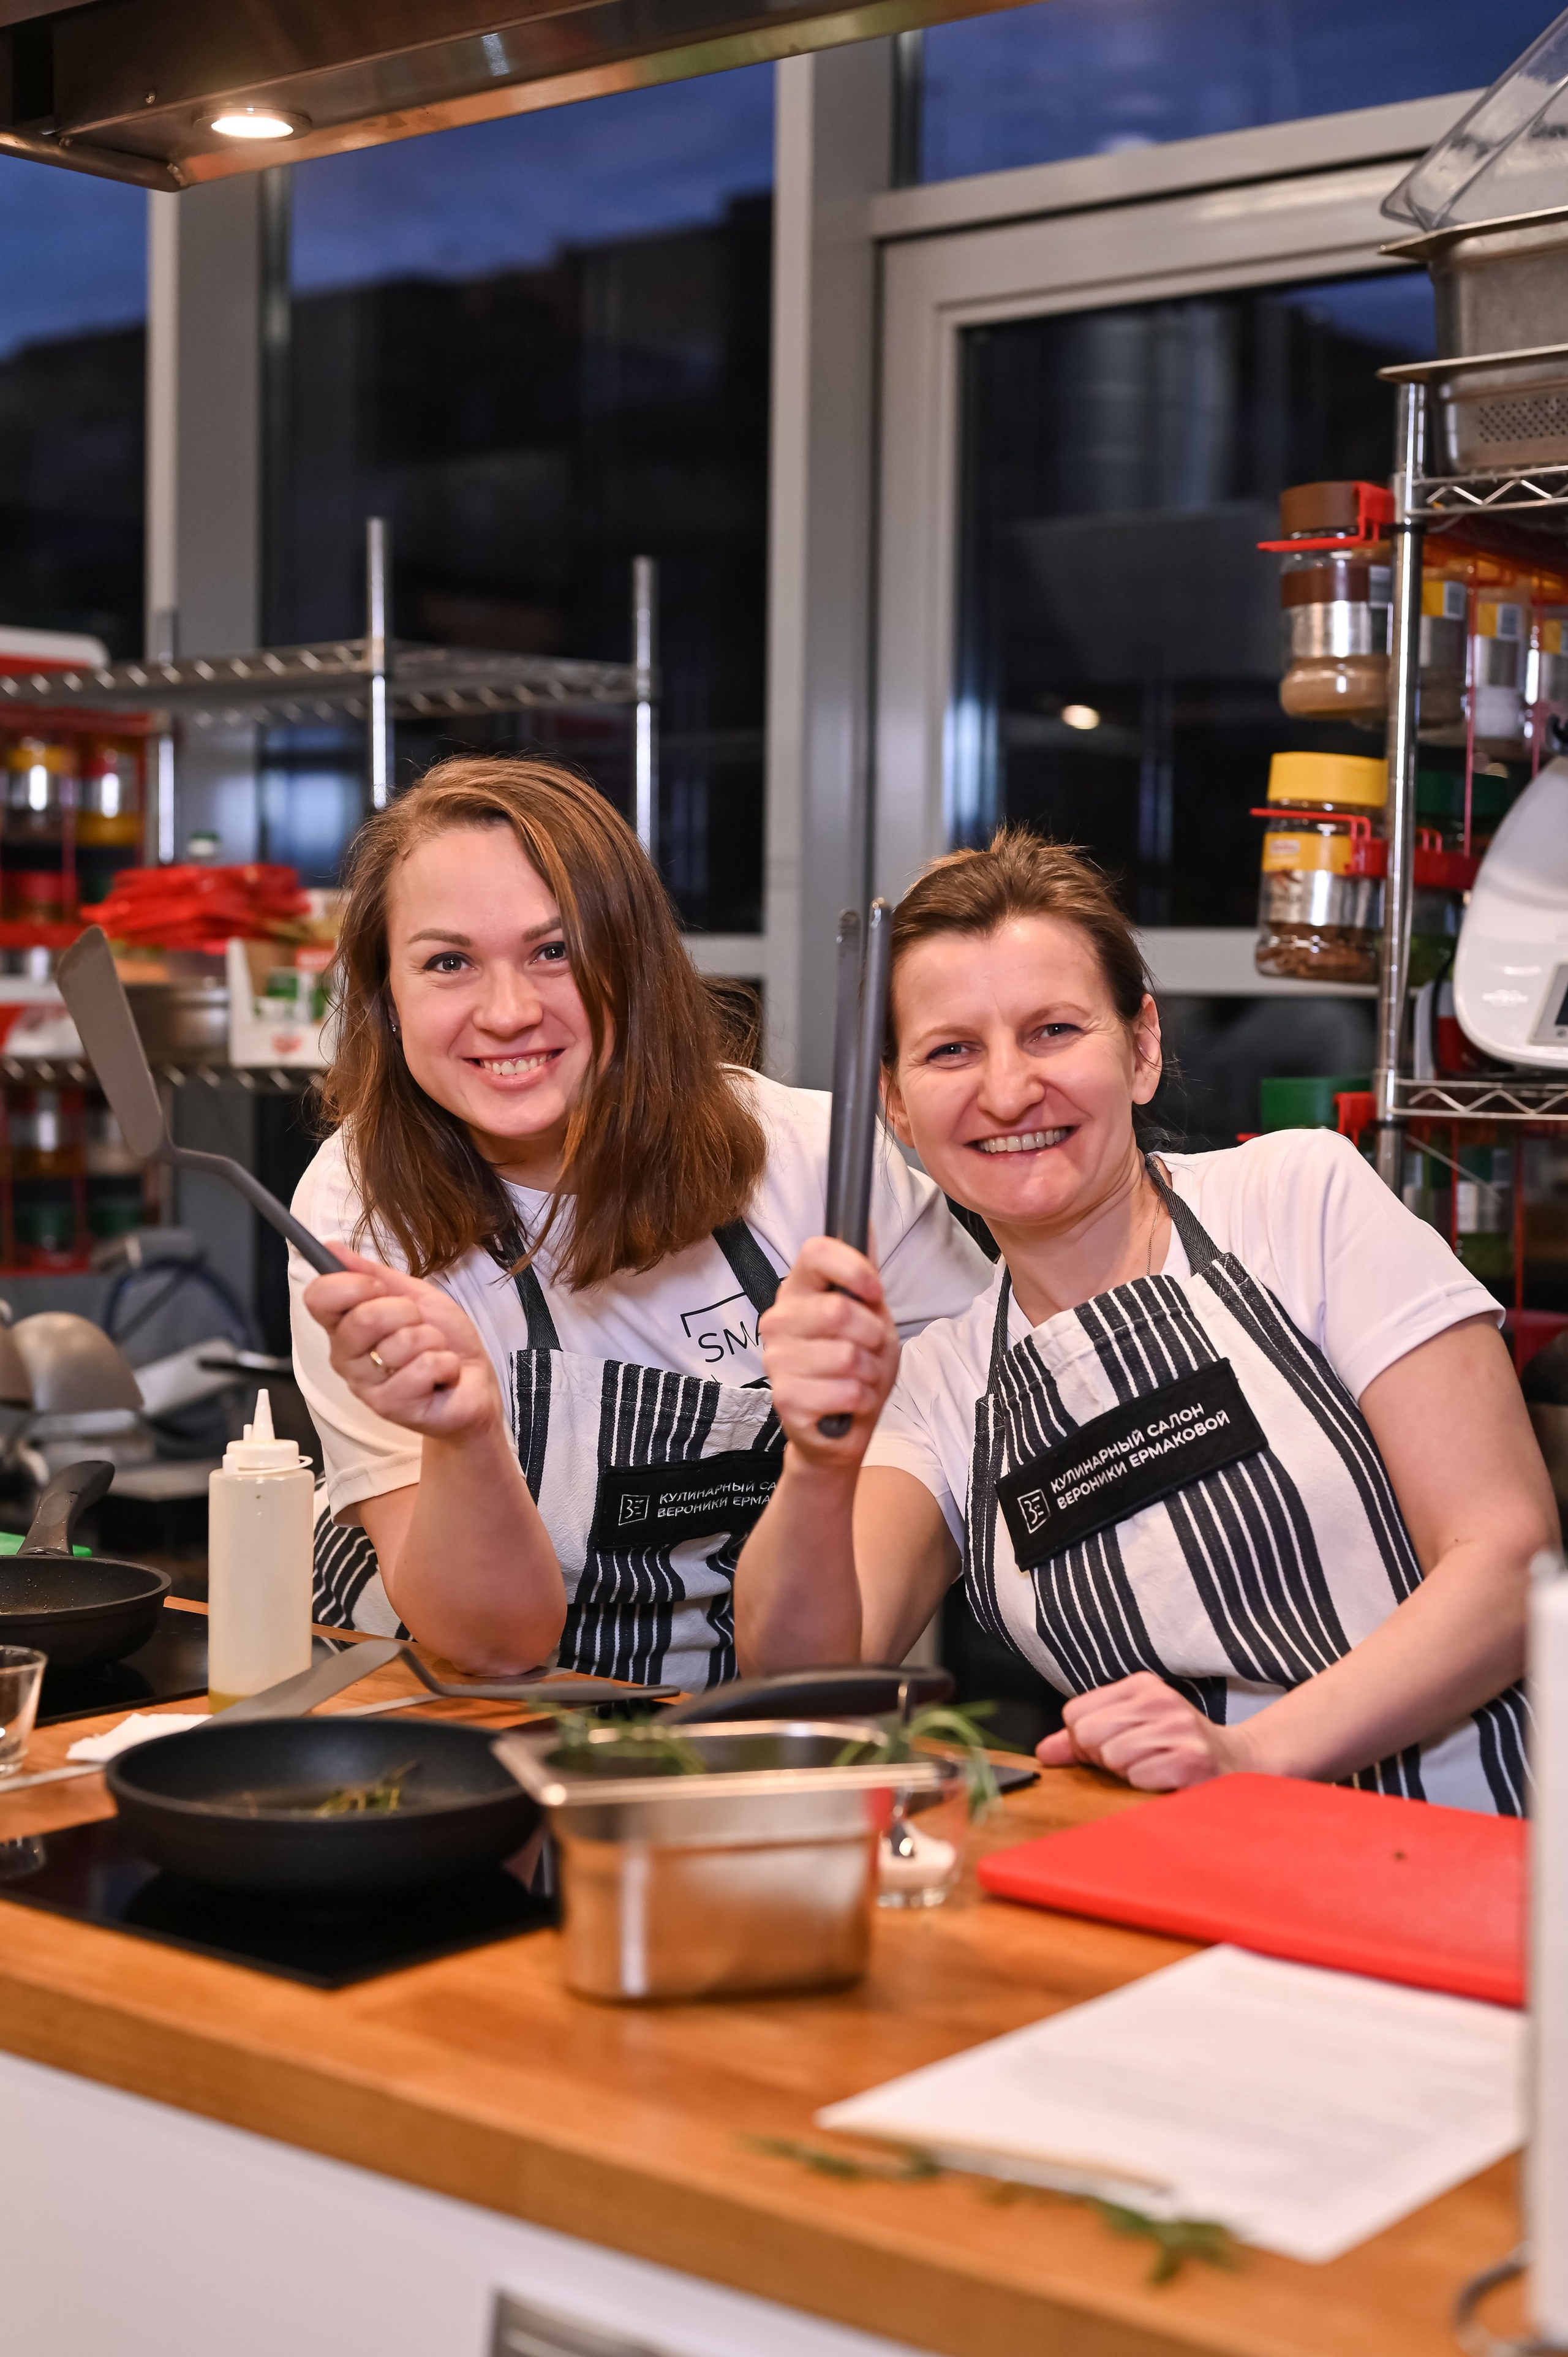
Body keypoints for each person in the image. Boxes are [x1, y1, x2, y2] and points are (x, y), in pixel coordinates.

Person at [737, 829, 1556, 1812]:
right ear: (898, 1109)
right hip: (1170, 1865)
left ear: (1142, 1048)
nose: (1008, 1091)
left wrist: (1248, 1754)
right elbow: (804, 1683)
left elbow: (1507, 1561)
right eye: (952, 1050)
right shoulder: (940, 1389)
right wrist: (818, 1461)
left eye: (1053, 1031)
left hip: (1465, 1836)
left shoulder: (1298, 1200)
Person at [289, 756, 990, 1686]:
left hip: (752, 1714)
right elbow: (494, 1648)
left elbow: (949, 1463)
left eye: (555, 951)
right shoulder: (360, 1205)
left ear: (636, 965)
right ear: (386, 997)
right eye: (448, 962)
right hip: (440, 1703)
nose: (508, 1012)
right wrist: (466, 1437)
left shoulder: (817, 1165)